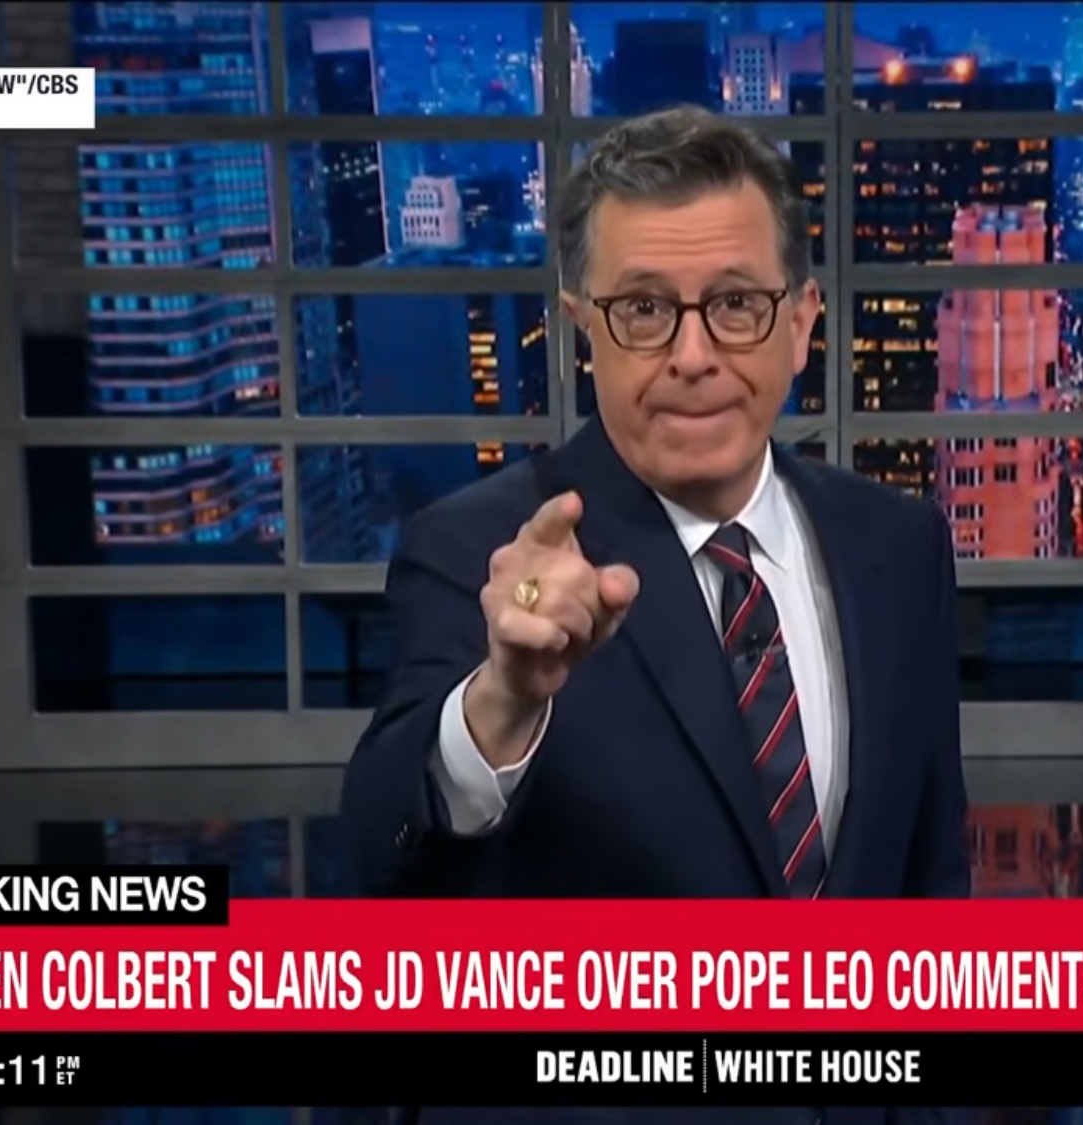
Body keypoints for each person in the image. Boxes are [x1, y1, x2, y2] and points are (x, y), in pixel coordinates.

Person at [343, 107, 969, 1123]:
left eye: (736, 304)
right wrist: (502, 701)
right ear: (583, 329)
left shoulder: (898, 547)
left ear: (803, 320)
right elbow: (382, 855)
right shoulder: (479, 553)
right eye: (643, 309)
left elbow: (929, 887)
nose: (692, 354)